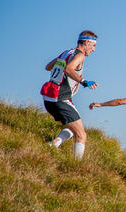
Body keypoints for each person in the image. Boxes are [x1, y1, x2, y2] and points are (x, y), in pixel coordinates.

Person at [40, 30, 99, 160]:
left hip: (49, 98)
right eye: (93, 45)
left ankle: (53, 144)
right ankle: (76, 166)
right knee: (82, 135)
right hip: (61, 98)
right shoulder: (80, 55)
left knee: (73, 128)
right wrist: (83, 81)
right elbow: (68, 69)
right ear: (87, 42)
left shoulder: (66, 52)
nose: (94, 49)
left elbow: (48, 67)